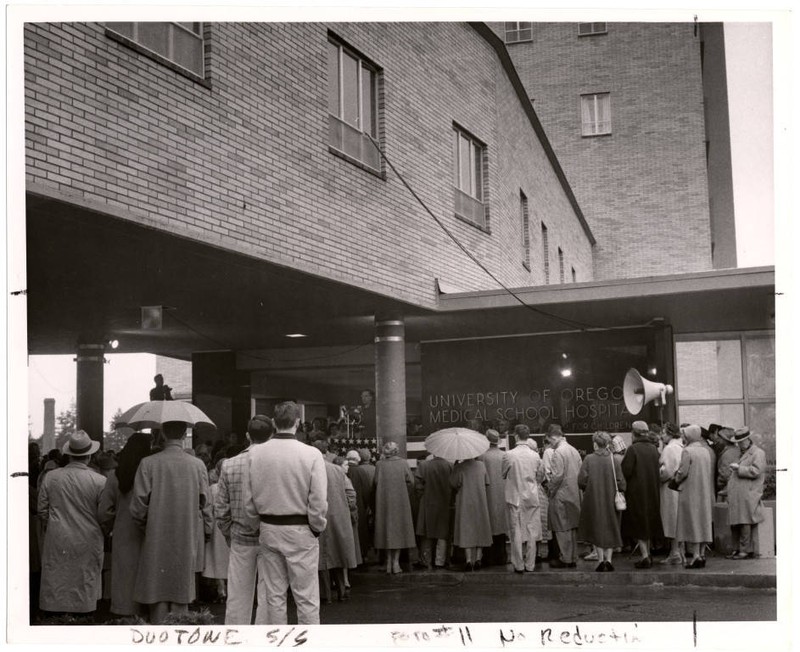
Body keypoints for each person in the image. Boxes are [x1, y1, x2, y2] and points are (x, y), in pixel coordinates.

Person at [244, 401, 328, 625]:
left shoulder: (255, 454)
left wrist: (256, 525)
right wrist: (316, 527)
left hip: (269, 528)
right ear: (298, 423)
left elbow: (248, 499)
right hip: (301, 528)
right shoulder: (312, 454)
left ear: (273, 422)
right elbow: (318, 499)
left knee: (274, 596)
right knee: (306, 597)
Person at [130, 421, 212, 624]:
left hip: (156, 533)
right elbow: (206, 503)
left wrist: (146, 525)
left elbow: (138, 506)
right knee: (180, 590)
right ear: (185, 434)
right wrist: (207, 529)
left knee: (157, 590)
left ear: (163, 435)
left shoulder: (148, 463)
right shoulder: (197, 465)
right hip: (186, 532)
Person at [38, 431, 107, 618]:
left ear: (68, 454)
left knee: (57, 580)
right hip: (89, 538)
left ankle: (54, 620)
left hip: (58, 537)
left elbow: (42, 510)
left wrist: (52, 525)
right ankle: (83, 619)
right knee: (84, 581)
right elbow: (104, 514)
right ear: (90, 455)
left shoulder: (51, 477)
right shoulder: (100, 480)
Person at [216, 415, 274, 624]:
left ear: (248, 436)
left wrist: (227, 532)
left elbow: (221, 507)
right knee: (269, 596)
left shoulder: (229, 465)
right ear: (272, 435)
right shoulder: (277, 463)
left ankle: (236, 641)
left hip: (240, 536)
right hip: (270, 536)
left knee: (238, 597)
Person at [98, 432, 152, 616]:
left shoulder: (115, 476)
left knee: (124, 578)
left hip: (123, 533)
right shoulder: (151, 474)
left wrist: (110, 528)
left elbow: (104, 511)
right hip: (148, 533)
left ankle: (124, 613)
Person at [577, 432, 625, 572]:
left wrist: (588, 487)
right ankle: (608, 560)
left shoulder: (589, 459)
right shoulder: (613, 459)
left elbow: (581, 480)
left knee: (596, 527)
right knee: (610, 525)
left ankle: (599, 560)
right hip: (611, 499)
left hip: (593, 498)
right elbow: (621, 482)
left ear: (595, 444)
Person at [620, 421, 663, 568]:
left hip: (637, 493)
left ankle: (645, 556)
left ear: (634, 433)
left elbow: (625, 471)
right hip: (653, 492)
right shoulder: (653, 449)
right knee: (649, 523)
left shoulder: (633, 450)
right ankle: (648, 554)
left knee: (639, 525)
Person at [502, 424, 543, 573]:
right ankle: (530, 564)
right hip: (531, 495)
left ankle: (518, 564)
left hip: (514, 496)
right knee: (532, 531)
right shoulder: (535, 455)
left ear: (516, 436)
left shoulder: (509, 455)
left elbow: (503, 473)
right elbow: (540, 476)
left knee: (516, 531)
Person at [672, 425, 714, 569]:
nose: (683, 437)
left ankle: (695, 556)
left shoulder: (687, 451)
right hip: (704, 491)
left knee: (692, 522)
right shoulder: (705, 451)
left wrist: (675, 479)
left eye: (684, 434)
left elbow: (682, 472)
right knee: (703, 521)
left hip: (690, 491)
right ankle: (702, 554)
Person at [317, 456, 358, 603]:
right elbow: (351, 494)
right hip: (338, 518)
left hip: (318, 517)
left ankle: (325, 595)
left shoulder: (310, 469)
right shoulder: (338, 470)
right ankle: (342, 592)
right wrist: (344, 505)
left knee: (321, 561)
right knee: (339, 556)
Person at [373, 441, 416, 574]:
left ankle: (388, 562)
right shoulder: (403, 463)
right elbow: (411, 481)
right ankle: (396, 563)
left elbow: (375, 482)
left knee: (385, 530)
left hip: (384, 501)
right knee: (398, 531)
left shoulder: (379, 464)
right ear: (396, 451)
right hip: (400, 502)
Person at [725, 428, 767, 559]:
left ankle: (744, 550)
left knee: (744, 521)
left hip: (749, 493)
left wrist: (739, 468)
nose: (739, 444)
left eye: (741, 441)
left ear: (748, 439)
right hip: (739, 493)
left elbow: (757, 471)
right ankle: (736, 549)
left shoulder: (758, 453)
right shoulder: (743, 453)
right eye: (738, 442)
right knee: (736, 522)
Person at [546, 425, 582, 568]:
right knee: (572, 526)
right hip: (574, 493)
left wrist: (549, 489)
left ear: (553, 437)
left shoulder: (558, 452)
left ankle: (565, 558)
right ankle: (573, 557)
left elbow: (557, 476)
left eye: (549, 441)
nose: (550, 444)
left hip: (561, 494)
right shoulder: (574, 450)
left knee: (561, 527)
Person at [450, 455, 492, 571]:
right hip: (480, 501)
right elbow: (487, 482)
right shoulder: (481, 466)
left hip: (465, 502)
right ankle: (478, 559)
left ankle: (468, 560)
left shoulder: (459, 467)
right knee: (480, 528)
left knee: (467, 529)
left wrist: (455, 466)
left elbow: (453, 484)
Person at [414, 453, 453, 570]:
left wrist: (422, 496)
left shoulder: (424, 465)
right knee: (443, 533)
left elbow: (417, 486)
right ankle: (440, 561)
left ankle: (425, 561)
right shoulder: (450, 466)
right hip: (445, 503)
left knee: (426, 533)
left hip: (428, 503)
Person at [477, 430, 508, 566]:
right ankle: (501, 556)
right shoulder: (504, 455)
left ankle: (488, 557)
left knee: (488, 525)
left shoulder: (482, 457)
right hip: (502, 494)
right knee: (501, 524)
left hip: (487, 493)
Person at [658, 422, 684, 564]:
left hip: (669, 488)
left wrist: (659, 473)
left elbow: (666, 471)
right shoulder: (681, 447)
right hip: (679, 488)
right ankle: (679, 551)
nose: (662, 436)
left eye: (663, 432)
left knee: (671, 520)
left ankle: (674, 553)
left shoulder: (669, 449)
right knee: (678, 520)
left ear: (670, 433)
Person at [348, 448, 375, 564]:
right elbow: (366, 491)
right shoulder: (361, 471)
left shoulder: (342, 470)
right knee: (360, 533)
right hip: (360, 506)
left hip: (346, 507)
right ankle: (362, 557)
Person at [715, 427, 740, 501]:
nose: (718, 440)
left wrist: (720, 483)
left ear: (724, 440)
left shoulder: (727, 454)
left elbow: (725, 474)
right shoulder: (737, 450)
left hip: (727, 491)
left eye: (720, 438)